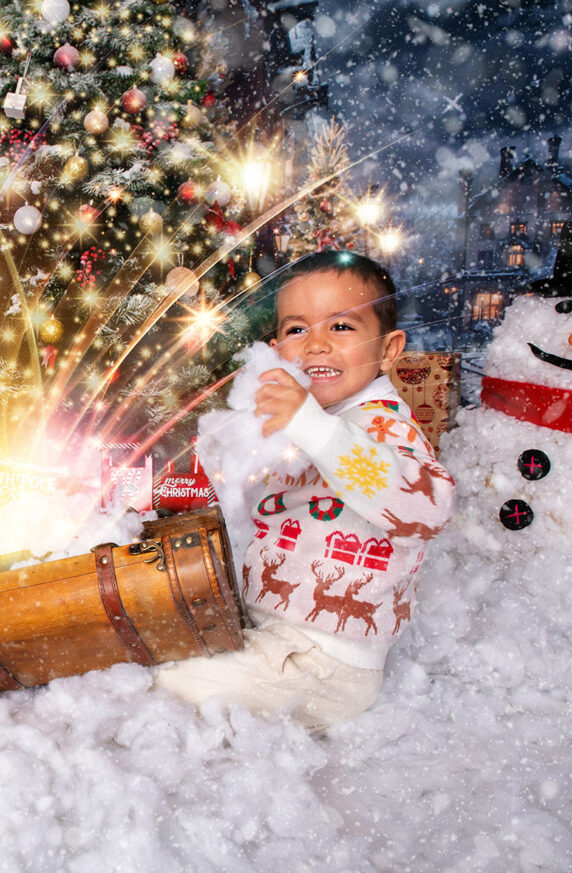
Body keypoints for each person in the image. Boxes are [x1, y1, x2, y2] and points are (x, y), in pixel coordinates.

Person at [155, 251, 456, 731]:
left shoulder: (381, 426)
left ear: (388, 348)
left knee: (166, 685)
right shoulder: (301, 420)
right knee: (158, 648)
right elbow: (238, 492)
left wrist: (312, 427)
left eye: (341, 327)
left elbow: (428, 509)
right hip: (270, 631)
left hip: (325, 661)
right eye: (297, 330)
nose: (315, 345)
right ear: (275, 350)